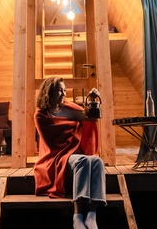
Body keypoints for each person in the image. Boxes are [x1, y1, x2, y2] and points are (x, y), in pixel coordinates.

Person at [34, 76, 106, 229]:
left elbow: (91, 117)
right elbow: (54, 142)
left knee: (97, 161)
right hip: (56, 158)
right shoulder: (41, 115)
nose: (64, 94)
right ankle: (77, 215)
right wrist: (74, 122)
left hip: (73, 154)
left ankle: (92, 215)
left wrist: (92, 101)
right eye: (59, 90)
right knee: (83, 160)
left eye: (64, 90)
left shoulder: (69, 108)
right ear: (49, 92)